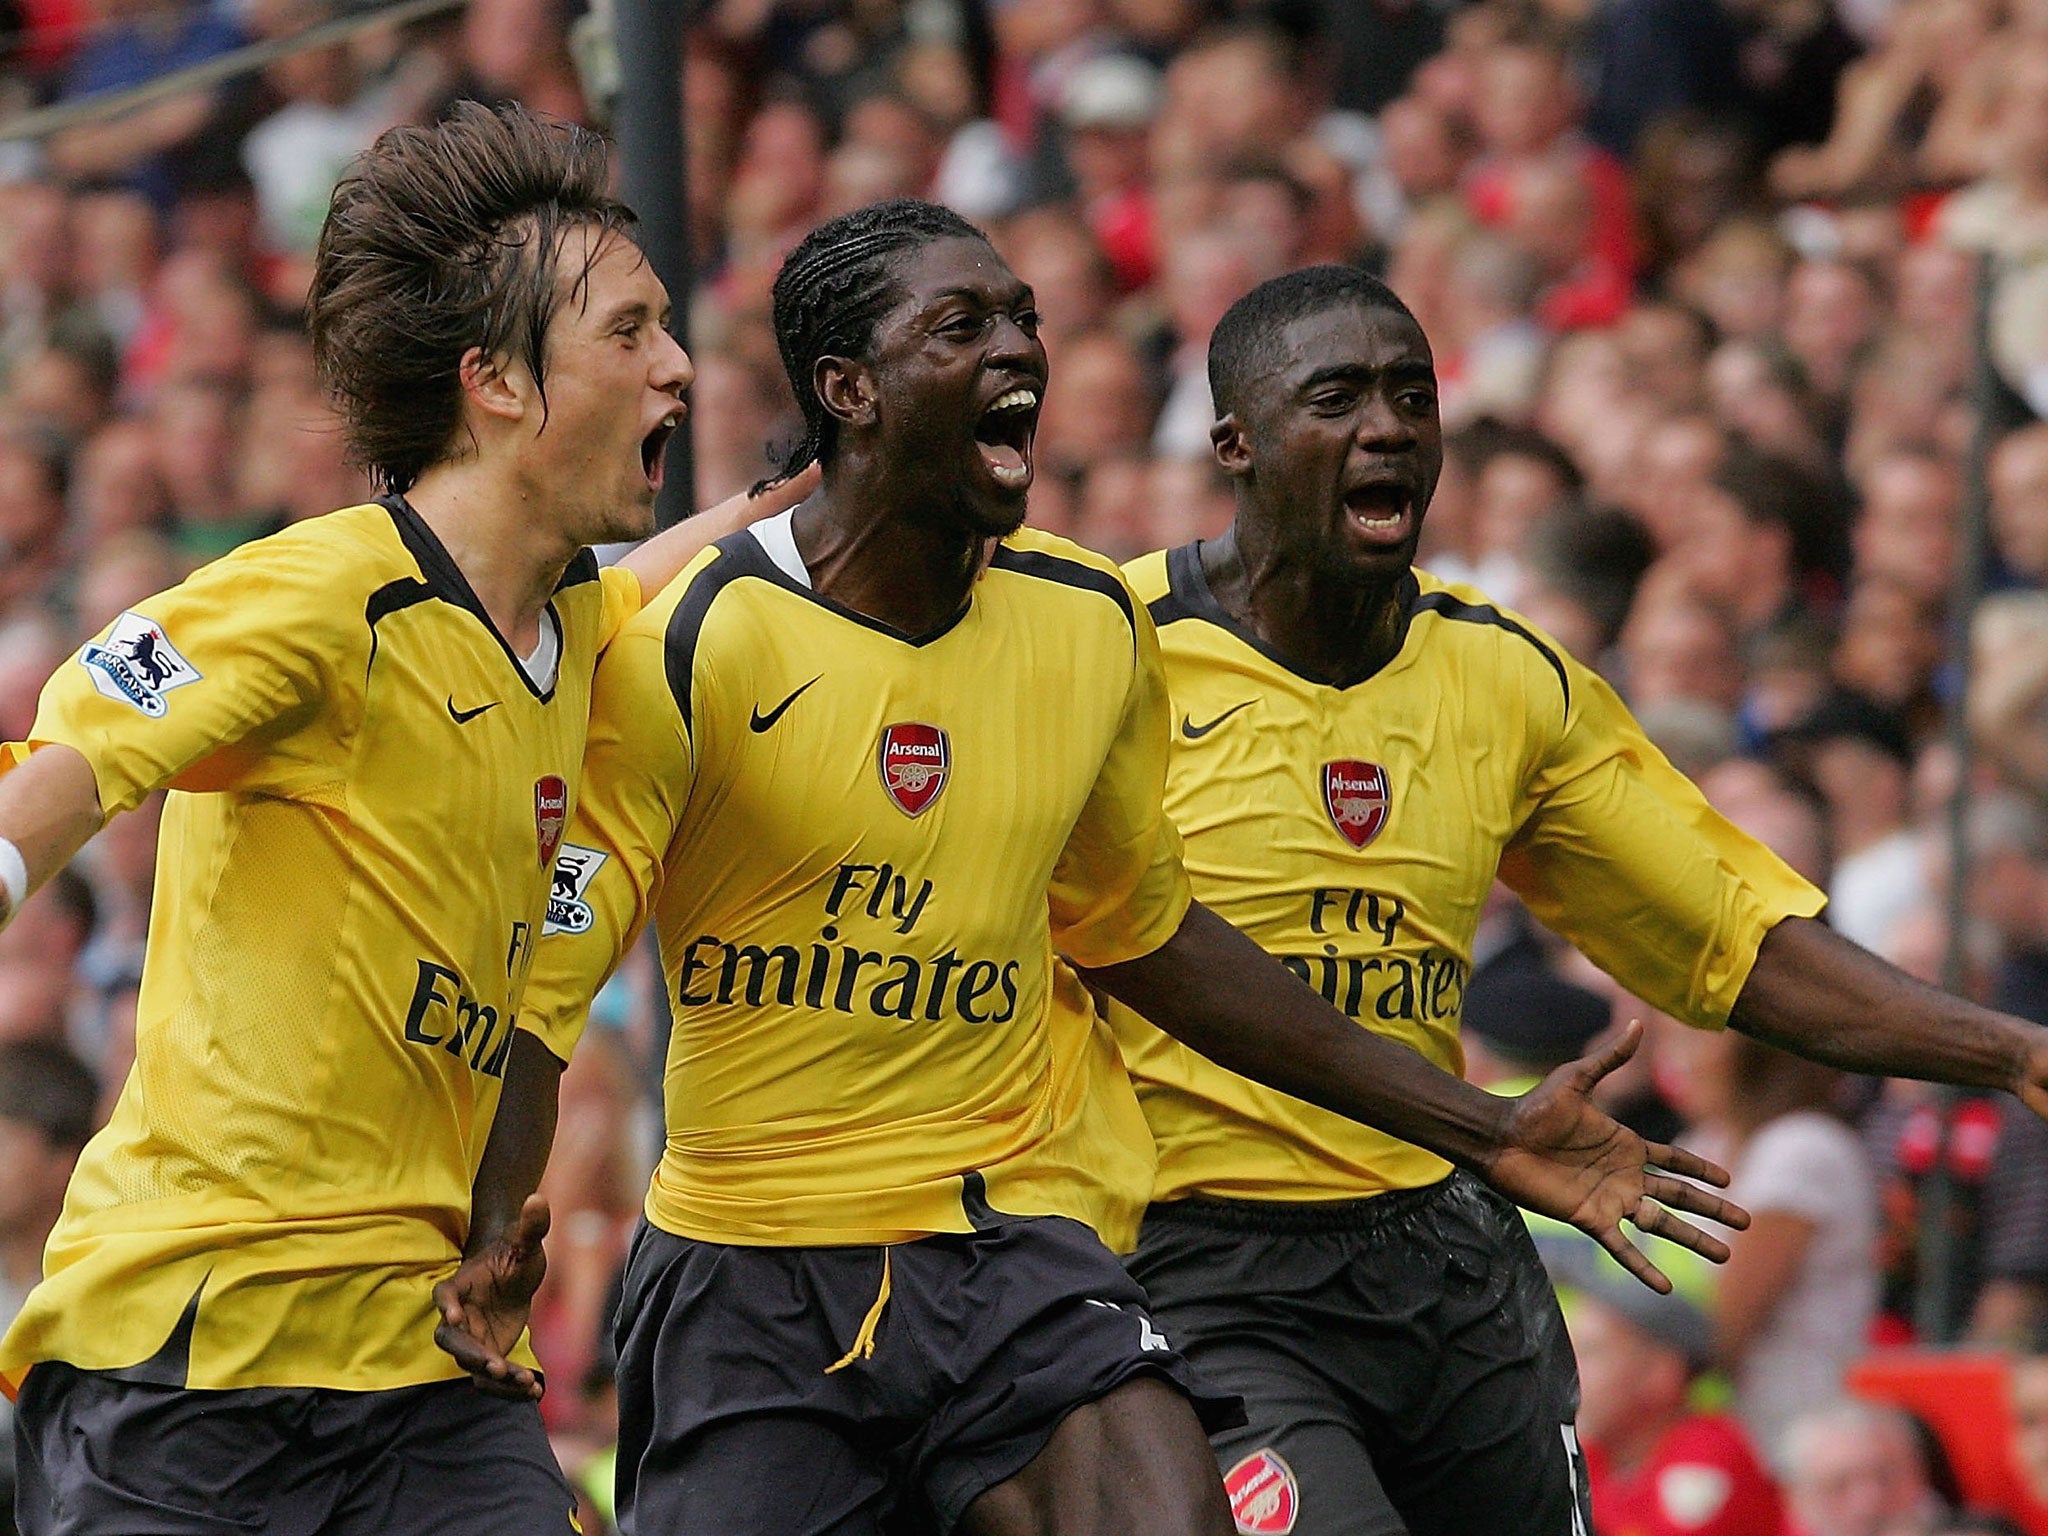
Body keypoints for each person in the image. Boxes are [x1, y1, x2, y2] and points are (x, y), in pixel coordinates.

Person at [487, 199, 1741, 1536]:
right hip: (756, 1268)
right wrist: (491, 1223)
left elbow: (1154, 941)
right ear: (848, 389)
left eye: (1024, 316)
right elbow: (551, 981)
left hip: (1011, 1249)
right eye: (960, 326)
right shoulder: (699, 637)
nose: (1018, 348)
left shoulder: (1087, 623)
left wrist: (1482, 1128)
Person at [1104, 264, 2048, 1536]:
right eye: (1334, 397)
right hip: (1197, 1260)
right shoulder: (1106, 649)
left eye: (1409, 396)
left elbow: (1733, 940)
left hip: (1435, 1248)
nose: (1384, 427)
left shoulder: (1503, 678)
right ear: (1234, 440)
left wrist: (2009, 1050)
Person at [0, 102, 808, 1536]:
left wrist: (803, 505)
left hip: (424, 1372)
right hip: (193, 1359)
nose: (678, 364)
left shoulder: (564, 622)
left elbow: (650, 584)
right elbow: (74, 764)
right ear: (494, 381)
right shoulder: (325, 596)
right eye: (630, 332)